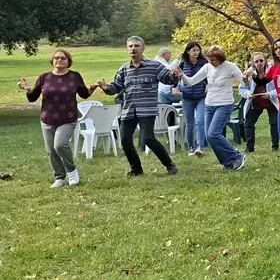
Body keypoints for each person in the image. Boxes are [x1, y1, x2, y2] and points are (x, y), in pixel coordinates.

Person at [98, 36, 180, 177]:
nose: (133, 49)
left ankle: (169, 164)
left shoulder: (154, 66)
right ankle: (136, 169)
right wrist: (106, 88)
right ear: (127, 49)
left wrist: (174, 75)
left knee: (148, 138)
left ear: (143, 48)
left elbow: (168, 79)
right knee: (125, 140)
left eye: (136, 46)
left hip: (147, 109)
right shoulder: (124, 69)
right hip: (129, 110)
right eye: (130, 46)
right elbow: (115, 87)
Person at [18, 49, 98, 187]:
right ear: (52, 61)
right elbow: (33, 98)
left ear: (68, 61)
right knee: (51, 150)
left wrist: (92, 88)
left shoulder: (74, 76)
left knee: (60, 145)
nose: (59, 60)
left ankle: (72, 171)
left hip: (68, 118)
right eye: (56, 58)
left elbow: (84, 94)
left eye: (62, 58)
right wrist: (28, 89)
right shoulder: (44, 77)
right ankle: (59, 178)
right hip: (47, 119)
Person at [176, 45, 246, 170]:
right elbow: (191, 82)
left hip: (224, 104)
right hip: (209, 104)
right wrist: (182, 75)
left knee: (214, 133)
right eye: (209, 59)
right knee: (209, 136)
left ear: (221, 59)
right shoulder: (207, 67)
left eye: (213, 60)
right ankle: (227, 162)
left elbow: (244, 82)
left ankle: (236, 155)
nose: (210, 62)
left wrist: (247, 78)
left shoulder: (230, 67)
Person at [239, 52, 279, 152]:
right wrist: (249, 94)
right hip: (255, 101)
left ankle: (275, 146)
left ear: (265, 61)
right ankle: (249, 147)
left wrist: (269, 94)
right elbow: (242, 89)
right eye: (256, 61)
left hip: (271, 100)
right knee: (248, 123)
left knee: (274, 122)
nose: (259, 63)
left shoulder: (273, 70)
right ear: (253, 63)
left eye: (261, 60)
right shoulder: (248, 73)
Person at [179, 41, 208, 156]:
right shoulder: (183, 64)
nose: (196, 52)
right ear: (188, 51)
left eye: (197, 50)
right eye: (193, 50)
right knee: (190, 123)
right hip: (187, 98)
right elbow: (177, 79)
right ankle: (191, 147)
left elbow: (209, 76)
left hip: (201, 96)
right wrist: (176, 88)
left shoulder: (204, 63)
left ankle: (200, 146)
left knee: (200, 121)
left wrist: (209, 85)